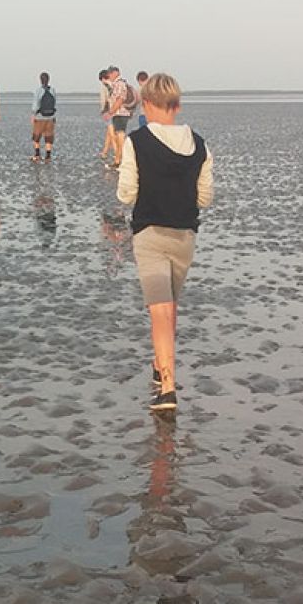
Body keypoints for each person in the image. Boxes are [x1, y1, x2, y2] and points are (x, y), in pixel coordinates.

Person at [116, 73, 213, 411]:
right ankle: (160, 367)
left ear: (146, 104)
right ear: (178, 105)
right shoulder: (199, 143)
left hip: (150, 235)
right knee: (170, 306)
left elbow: (126, 193)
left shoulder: (137, 141)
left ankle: (168, 389)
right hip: (185, 237)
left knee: (159, 309)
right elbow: (204, 198)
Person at [103, 66, 134, 168]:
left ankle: (119, 160)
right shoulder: (117, 84)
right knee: (118, 135)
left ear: (114, 73)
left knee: (120, 136)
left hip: (120, 113)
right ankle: (119, 159)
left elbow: (120, 99)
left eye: (110, 74)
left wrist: (110, 112)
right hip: (120, 113)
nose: (109, 76)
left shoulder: (120, 84)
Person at [30, 71, 57, 162]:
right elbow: (54, 103)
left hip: (40, 117)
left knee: (36, 136)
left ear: (40, 80)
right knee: (48, 137)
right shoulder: (52, 90)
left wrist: (33, 115)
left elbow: (35, 105)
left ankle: (37, 155)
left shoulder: (38, 91)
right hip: (50, 117)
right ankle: (48, 156)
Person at [96, 69, 114, 161]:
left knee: (112, 132)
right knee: (109, 132)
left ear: (102, 78)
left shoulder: (104, 86)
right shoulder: (114, 84)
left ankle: (118, 152)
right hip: (116, 110)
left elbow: (104, 100)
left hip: (108, 111)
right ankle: (105, 152)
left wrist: (103, 110)